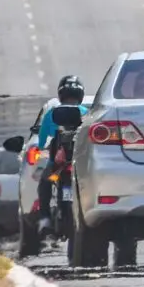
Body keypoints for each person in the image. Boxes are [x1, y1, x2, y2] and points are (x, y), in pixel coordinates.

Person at [31, 75, 88, 232]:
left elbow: (43, 141)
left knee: (45, 182)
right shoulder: (88, 113)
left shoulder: (52, 114)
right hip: (80, 166)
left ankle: (45, 218)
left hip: (56, 167)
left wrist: (47, 148)